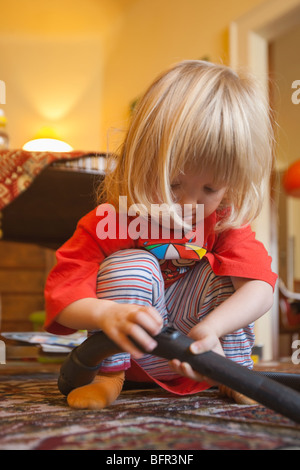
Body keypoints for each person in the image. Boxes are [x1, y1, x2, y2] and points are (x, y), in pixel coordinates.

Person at [44, 60, 277, 409]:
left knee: (230, 274)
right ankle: (110, 379)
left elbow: (261, 289)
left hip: (200, 356)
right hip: (134, 352)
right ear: (141, 160)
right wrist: (105, 314)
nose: (186, 203)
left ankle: (235, 374)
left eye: (210, 189)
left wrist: (212, 329)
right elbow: (63, 296)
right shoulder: (111, 220)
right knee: (131, 262)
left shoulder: (224, 222)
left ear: (230, 187)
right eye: (172, 184)